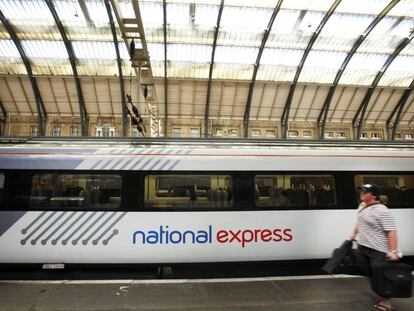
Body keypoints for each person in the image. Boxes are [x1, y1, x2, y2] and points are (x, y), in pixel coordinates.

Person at [349, 184, 401, 311]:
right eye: (361, 191)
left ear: (373, 195)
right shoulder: (362, 206)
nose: (361, 193)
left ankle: (386, 302)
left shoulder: (382, 210)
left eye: (365, 192)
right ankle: (381, 292)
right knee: (366, 270)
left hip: (378, 249)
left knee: (380, 275)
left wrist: (393, 251)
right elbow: (360, 221)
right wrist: (353, 234)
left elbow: (391, 231)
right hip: (363, 246)